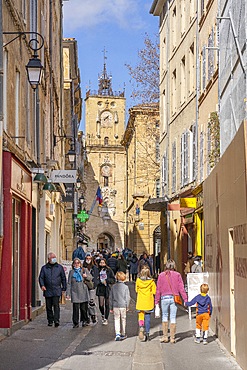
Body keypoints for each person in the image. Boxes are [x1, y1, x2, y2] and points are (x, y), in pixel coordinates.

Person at [155, 259, 187, 343]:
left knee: (165, 316)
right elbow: (181, 288)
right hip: (174, 298)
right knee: (173, 317)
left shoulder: (161, 275)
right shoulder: (178, 275)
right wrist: (185, 299)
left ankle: (165, 337)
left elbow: (158, 289)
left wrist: (156, 302)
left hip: (164, 298)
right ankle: (172, 338)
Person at [39, 252, 67, 327]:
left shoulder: (59, 267)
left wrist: (64, 287)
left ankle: (56, 320)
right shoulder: (44, 268)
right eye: (52, 257)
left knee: (56, 305)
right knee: (48, 306)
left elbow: (63, 278)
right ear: (48, 259)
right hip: (47, 289)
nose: (54, 258)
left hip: (57, 289)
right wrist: (42, 285)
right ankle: (50, 320)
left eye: (55, 257)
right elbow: (41, 278)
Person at [66, 258, 93, 328]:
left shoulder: (84, 270)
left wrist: (86, 276)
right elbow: (69, 283)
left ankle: (84, 320)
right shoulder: (71, 272)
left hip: (83, 291)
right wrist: (68, 294)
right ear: (73, 264)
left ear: (80, 264)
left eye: (78, 263)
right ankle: (75, 322)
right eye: (75, 263)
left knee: (84, 308)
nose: (76, 264)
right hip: (75, 292)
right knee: (75, 308)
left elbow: (91, 278)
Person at [136, 265, 156, 342]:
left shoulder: (138, 281)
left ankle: (141, 326)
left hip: (140, 302)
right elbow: (154, 291)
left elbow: (136, 290)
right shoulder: (151, 282)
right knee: (147, 318)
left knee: (141, 316)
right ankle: (147, 333)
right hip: (148, 302)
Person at [110, 271, 130, 341]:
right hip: (123, 305)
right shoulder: (126, 287)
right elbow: (127, 297)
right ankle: (123, 333)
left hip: (115, 305)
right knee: (123, 319)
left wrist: (111, 307)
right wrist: (127, 306)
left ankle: (117, 333)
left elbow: (111, 298)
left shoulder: (113, 287)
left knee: (116, 319)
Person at [96, 258, 115, 325]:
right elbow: (95, 279)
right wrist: (99, 281)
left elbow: (113, 279)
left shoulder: (109, 270)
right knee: (101, 304)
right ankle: (102, 314)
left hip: (107, 288)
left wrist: (106, 281)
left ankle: (106, 318)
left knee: (107, 304)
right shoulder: (97, 270)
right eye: (101, 263)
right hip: (100, 288)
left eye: (103, 263)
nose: (102, 264)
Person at [82, 253, 99, 324]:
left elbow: (96, 277)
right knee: (85, 303)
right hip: (84, 287)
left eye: (89, 259)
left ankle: (93, 315)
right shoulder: (82, 267)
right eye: (87, 259)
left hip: (92, 287)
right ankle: (87, 317)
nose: (88, 260)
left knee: (91, 302)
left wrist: (94, 284)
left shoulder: (94, 267)